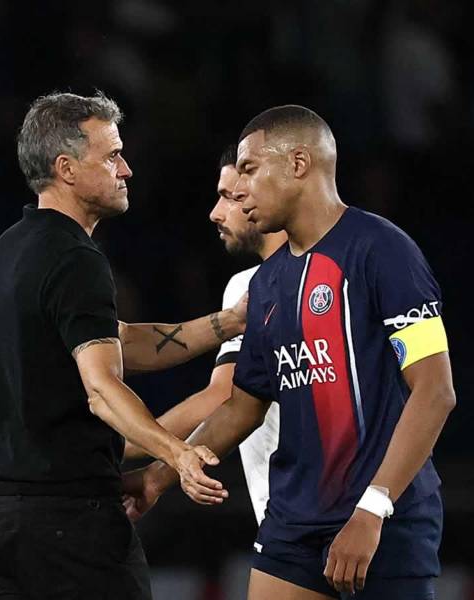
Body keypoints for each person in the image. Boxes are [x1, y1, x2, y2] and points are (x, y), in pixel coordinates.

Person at [125, 105, 456, 600]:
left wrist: (372, 509)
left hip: (383, 522)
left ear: (299, 164)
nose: (241, 188)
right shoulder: (266, 285)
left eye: (251, 170)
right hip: (291, 529)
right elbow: (242, 405)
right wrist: (156, 477)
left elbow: (435, 390)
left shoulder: (383, 249)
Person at [0, 91, 244, 600]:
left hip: (2, 519)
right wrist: (177, 455)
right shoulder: (77, 258)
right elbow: (100, 386)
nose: (127, 169)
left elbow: (118, 341)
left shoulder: (9, 248)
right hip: (72, 526)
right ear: (66, 168)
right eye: (111, 155)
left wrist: (228, 322)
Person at [124, 144, 286, 525]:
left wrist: (132, 442)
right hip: (290, 514)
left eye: (232, 197)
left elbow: (222, 396)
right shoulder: (248, 288)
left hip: (324, 512)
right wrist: (157, 475)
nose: (216, 213)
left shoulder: (262, 287)